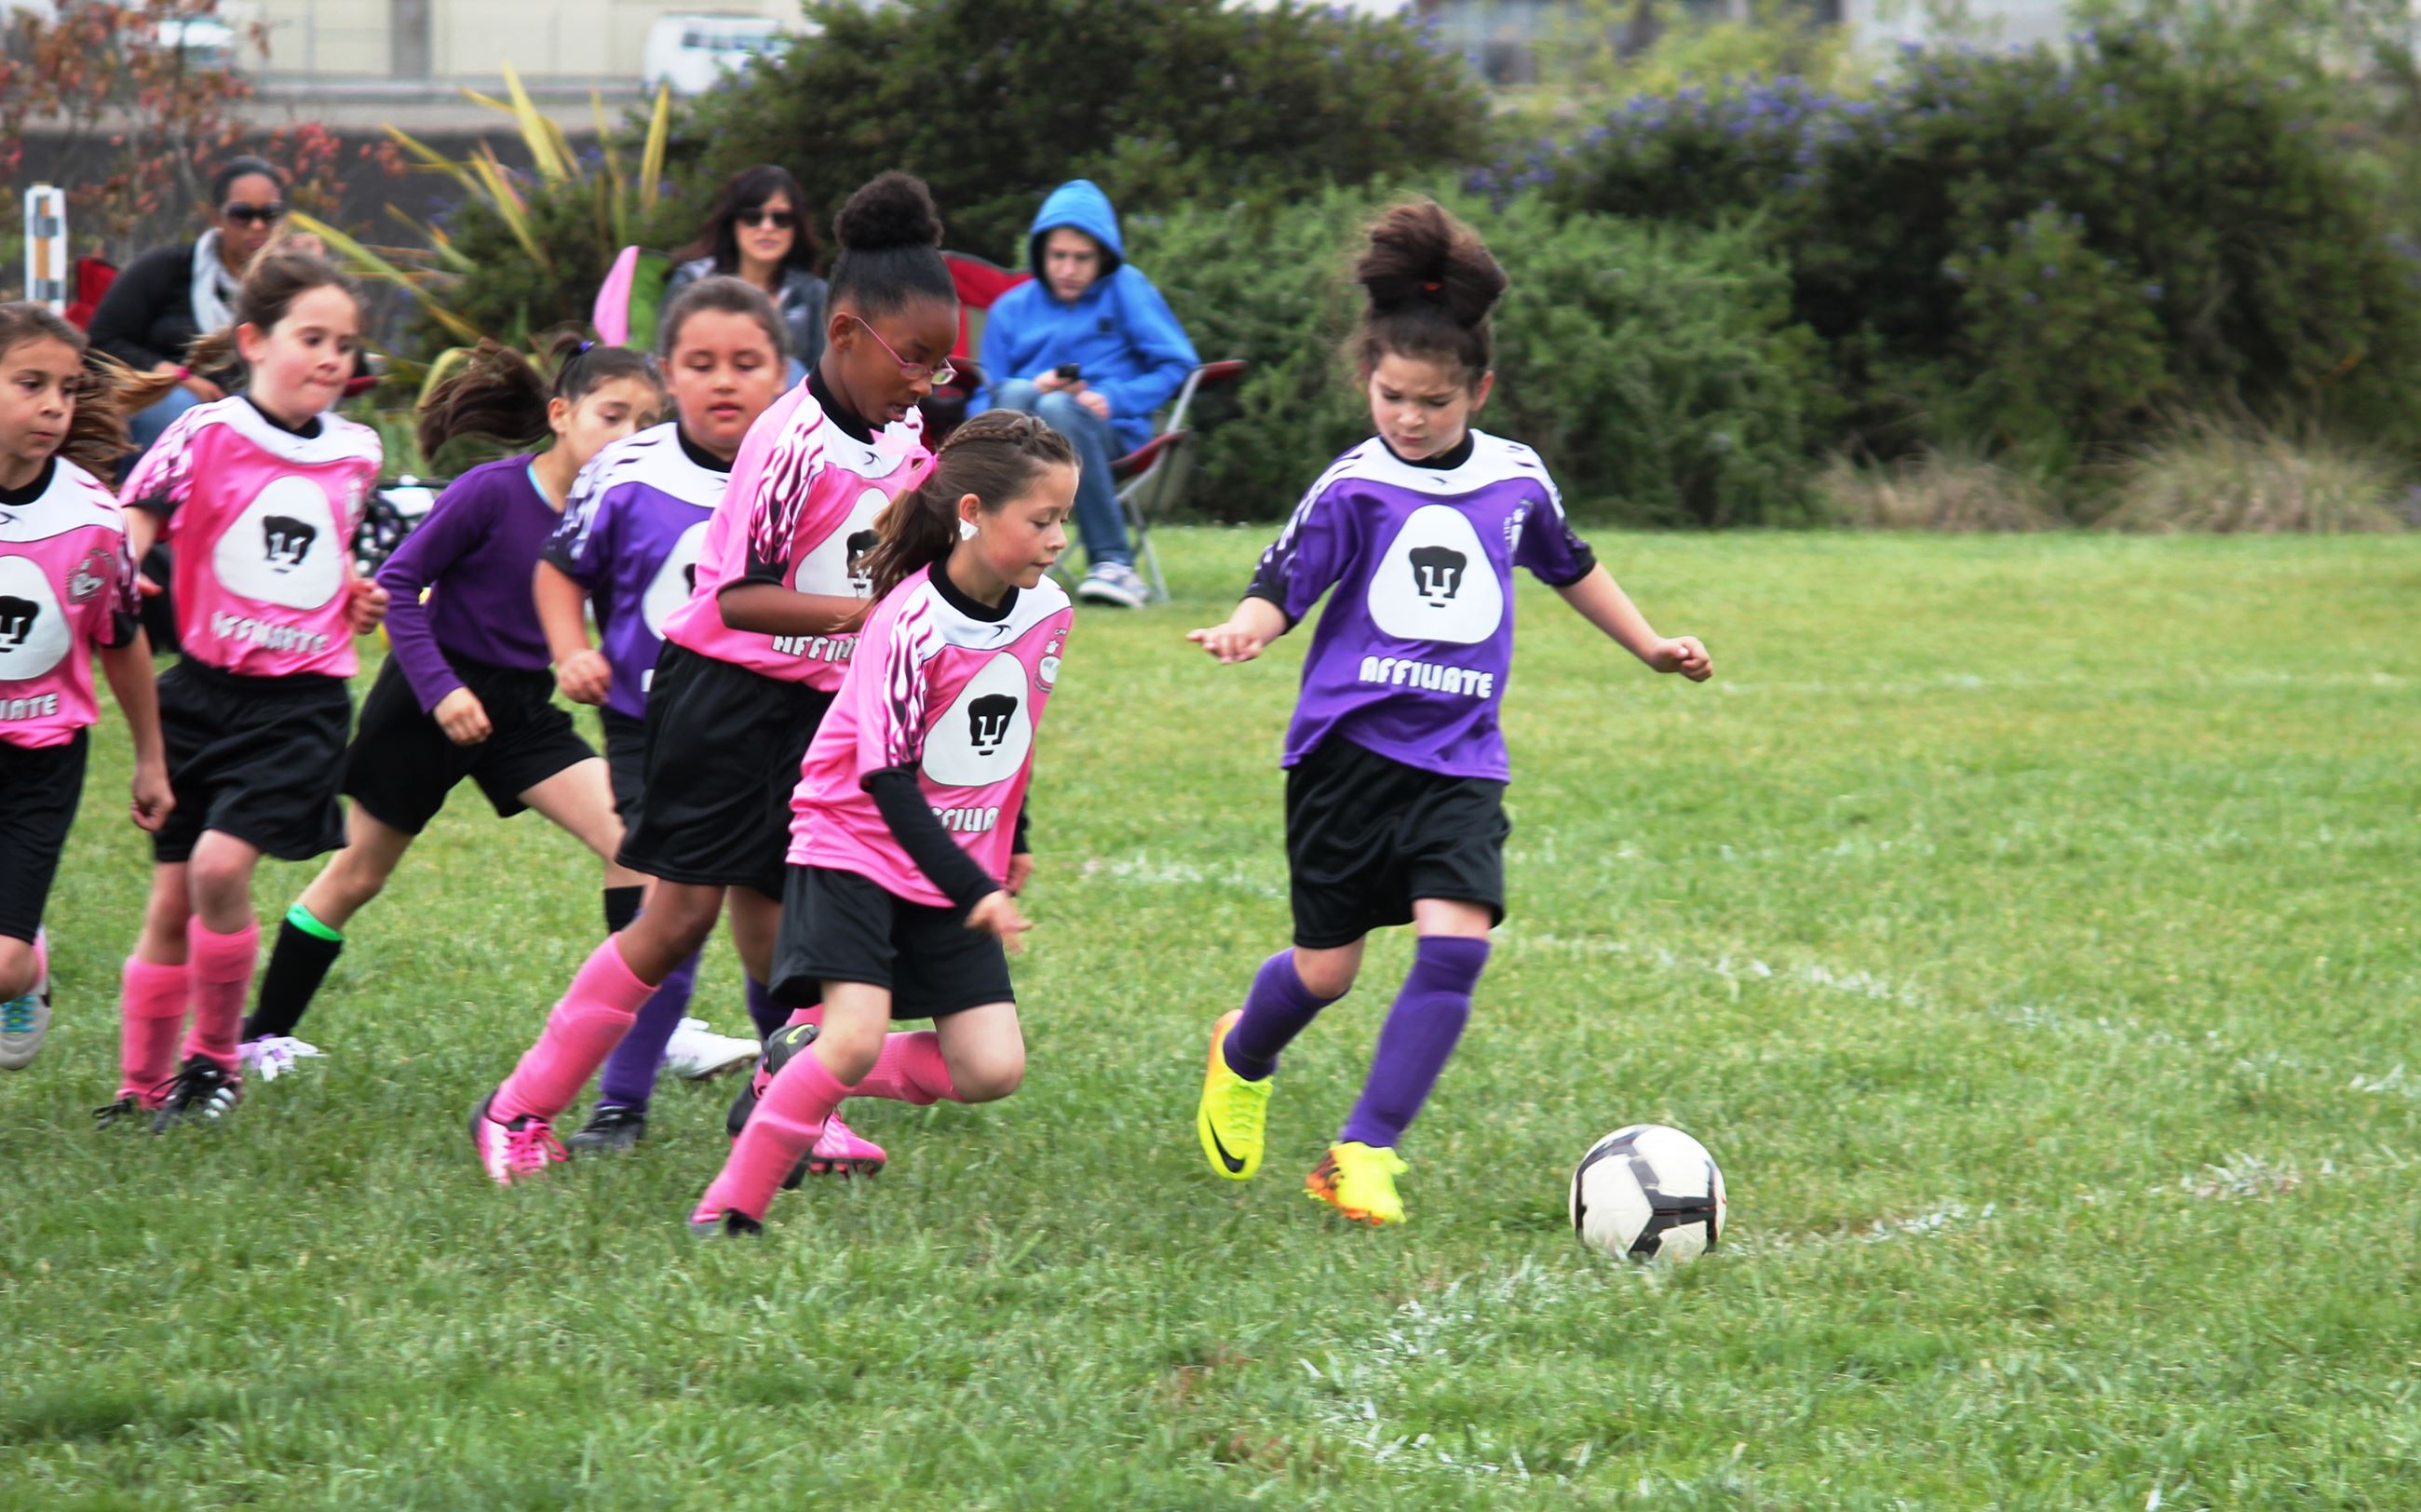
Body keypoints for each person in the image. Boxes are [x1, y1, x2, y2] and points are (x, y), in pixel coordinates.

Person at [1186, 202, 1714, 1227]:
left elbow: (1571, 565)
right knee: (1325, 970)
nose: (1409, 418)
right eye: (1390, 396)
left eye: (1431, 401)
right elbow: (1281, 579)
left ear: (1476, 389)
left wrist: (1649, 643)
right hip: (1345, 755)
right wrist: (1247, 627)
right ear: (1365, 381)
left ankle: (1363, 1147)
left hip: (1460, 755)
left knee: (1455, 944)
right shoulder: (1353, 484)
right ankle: (1240, 1049)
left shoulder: (1514, 477)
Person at [467, 171, 958, 1187]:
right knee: (675, 917)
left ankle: (793, 1112)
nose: (926, 380)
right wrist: (862, 619)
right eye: (912, 358)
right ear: (848, 333)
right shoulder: (788, 439)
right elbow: (740, 599)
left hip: (817, 706)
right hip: (724, 698)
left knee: (795, 918)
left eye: (941, 363)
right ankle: (520, 1104)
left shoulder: (904, 434)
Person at [232, 335, 669, 1081]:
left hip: (523, 711)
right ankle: (261, 1035)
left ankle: (648, 1030)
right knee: (358, 875)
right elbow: (400, 588)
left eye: (648, 424)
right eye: (613, 416)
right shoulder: (491, 492)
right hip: (427, 699)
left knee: (634, 845)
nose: (630, 438)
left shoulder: (623, 513)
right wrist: (444, 692)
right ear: (562, 415)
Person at [688, 410, 1076, 1236]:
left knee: (991, 1069)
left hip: (951, 862)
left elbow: (1013, 730)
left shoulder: (1049, 612)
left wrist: (1017, 842)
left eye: (1064, 521)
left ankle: (797, 1062)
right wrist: (972, 883)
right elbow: (887, 781)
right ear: (971, 513)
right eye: (1041, 520)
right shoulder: (909, 623)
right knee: (855, 1037)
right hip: (854, 846)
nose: (1057, 540)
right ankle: (731, 1206)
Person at [102, 249, 388, 1131]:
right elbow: (133, 525)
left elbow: (314, 543)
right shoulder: (205, 431)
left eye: (346, 343)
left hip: (299, 705)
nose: (334, 358)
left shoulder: (356, 451)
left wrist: (349, 590)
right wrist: (120, 570)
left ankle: (215, 1063)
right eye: (314, 338)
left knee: (222, 869)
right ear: (256, 341)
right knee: (169, 899)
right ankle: (140, 1086)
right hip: (202, 695)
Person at [532, 278, 802, 1151]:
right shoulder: (625, 470)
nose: (724, 380)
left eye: (746, 363)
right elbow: (560, 568)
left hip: (776, 726)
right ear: (668, 376)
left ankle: (781, 1088)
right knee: (672, 912)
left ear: (784, 374)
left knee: (771, 921)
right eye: (700, 363)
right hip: (654, 730)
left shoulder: (810, 475)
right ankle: (620, 1101)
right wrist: (571, 647)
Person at [0, 304, 178, 1072]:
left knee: (3, 965)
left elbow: (123, 639)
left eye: (67, 390)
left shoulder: (92, 517)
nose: (53, 407)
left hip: (41, 759)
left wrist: (150, 759)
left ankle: (26, 969)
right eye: (30, 384)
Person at [972, 179, 1197, 610]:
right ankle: (995, 555)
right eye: (1058, 256)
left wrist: (1114, 398)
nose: (1068, 269)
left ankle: (1113, 563)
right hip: (1018, 438)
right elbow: (983, 404)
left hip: (1104, 432)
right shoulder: (1010, 309)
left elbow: (1177, 364)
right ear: (1041, 254)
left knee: (1061, 406)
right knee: (1021, 392)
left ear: (1104, 258)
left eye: (1082, 258)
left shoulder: (1126, 288)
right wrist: (1034, 387)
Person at [87, 156, 294, 464]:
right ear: (216, 217)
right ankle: (149, 507)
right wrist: (176, 376)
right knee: (180, 411)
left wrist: (316, 275)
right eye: (242, 215)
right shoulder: (165, 269)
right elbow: (100, 342)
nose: (258, 226)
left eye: (269, 214)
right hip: (172, 407)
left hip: (260, 407)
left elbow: (344, 362)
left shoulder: (293, 281)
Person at [662, 166, 828, 382]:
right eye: (753, 217)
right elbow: (665, 366)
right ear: (733, 224)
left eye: (781, 218)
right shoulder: (692, 283)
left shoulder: (815, 295)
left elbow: (827, 380)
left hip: (793, 411)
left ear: (796, 227)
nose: (767, 227)